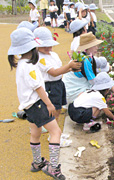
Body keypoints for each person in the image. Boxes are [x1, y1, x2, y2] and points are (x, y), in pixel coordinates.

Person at [8, 28, 65, 179]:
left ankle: (37, 162)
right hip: (38, 104)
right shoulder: (30, 66)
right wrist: (49, 104)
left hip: (28, 106)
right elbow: (38, 87)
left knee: (36, 132)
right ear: (32, 48)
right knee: (55, 132)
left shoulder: (21, 63)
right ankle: (53, 167)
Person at [34, 27, 81, 122]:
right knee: (53, 109)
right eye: (44, 46)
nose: (48, 47)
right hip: (50, 86)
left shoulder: (53, 55)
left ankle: (53, 127)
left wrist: (70, 69)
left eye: (49, 45)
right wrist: (69, 66)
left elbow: (59, 70)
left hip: (59, 84)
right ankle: (52, 131)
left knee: (58, 107)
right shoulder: (40, 58)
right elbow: (54, 73)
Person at [63, 32, 114, 106]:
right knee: (98, 94)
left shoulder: (85, 57)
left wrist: (110, 83)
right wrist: (111, 86)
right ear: (87, 48)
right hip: (74, 93)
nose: (97, 48)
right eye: (94, 46)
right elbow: (93, 82)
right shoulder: (85, 61)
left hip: (70, 91)